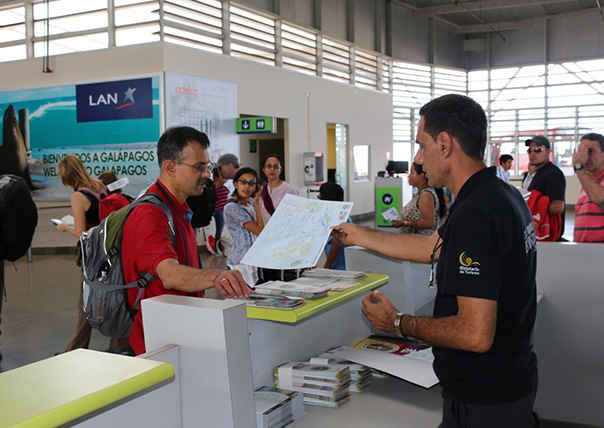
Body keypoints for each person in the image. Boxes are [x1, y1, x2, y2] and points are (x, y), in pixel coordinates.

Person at [332, 94, 538, 428]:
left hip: (485, 397)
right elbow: (434, 246)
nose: (418, 157)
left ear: (444, 144)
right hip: (510, 379)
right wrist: (360, 235)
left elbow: (475, 334)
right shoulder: (500, 194)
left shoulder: (476, 214)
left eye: (421, 145)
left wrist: (397, 322)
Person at [121, 126, 251, 355]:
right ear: (170, 167)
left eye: (207, 167)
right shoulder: (150, 214)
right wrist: (217, 275)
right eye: (199, 168)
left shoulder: (178, 206)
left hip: (181, 332)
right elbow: (169, 275)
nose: (207, 175)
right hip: (158, 343)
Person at [56, 155, 130, 353]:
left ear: (66, 177)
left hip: (93, 258)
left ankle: (76, 349)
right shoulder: (100, 186)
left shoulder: (78, 196)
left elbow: (81, 233)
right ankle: (119, 347)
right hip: (113, 253)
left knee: (86, 304)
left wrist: (65, 227)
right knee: (115, 300)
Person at [224, 167, 265, 284]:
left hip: (253, 258)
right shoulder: (231, 207)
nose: (246, 186)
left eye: (251, 183)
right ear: (235, 184)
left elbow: (260, 226)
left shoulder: (250, 202)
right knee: (244, 299)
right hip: (240, 261)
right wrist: (257, 204)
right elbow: (259, 231)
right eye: (243, 182)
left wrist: (256, 203)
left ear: (256, 187)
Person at [522, 135, 566, 241]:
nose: (532, 154)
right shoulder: (536, 173)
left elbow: (558, 207)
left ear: (548, 152)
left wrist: (535, 205)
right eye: (530, 150)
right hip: (535, 233)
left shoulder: (553, 174)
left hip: (549, 235)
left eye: (538, 150)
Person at [391, 162, 446, 235]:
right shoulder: (421, 193)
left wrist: (405, 223)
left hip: (422, 242)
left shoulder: (426, 195)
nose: (408, 176)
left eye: (412, 173)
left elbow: (429, 223)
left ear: (421, 176)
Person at [572, 132, 604, 243]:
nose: (585, 157)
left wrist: (579, 169)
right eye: (582, 152)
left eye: (591, 152)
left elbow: (598, 197)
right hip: (586, 250)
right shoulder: (589, 181)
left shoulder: (586, 178)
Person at [259, 153, 299, 224]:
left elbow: (296, 213)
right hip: (266, 231)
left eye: (276, 166)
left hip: (284, 229)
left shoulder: (290, 189)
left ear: (280, 170)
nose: (272, 169)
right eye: (269, 166)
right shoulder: (261, 190)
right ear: (264, 170)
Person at [318, 182, 351, 270]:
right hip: (348, 264)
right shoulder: (345, 217)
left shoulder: (330, 219)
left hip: (337, 268)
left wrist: (326, 268)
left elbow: (336, 245)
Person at [212, 168, 229, 255]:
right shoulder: (214, 186)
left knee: (221, 231)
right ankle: (217, 250)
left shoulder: (224, 187)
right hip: (218, 211)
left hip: (223, 210)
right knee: (219, 231)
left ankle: (220, 249)